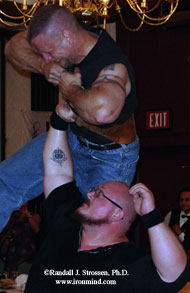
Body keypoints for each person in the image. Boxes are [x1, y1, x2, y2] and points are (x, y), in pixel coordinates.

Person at [1, 5, 139, 232]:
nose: (47, 57)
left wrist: (71, 88)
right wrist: (43, 66)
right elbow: (12, 47)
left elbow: (103, 113)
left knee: (92, 229)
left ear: (67, 36)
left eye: (49, 52)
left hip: (110, 155)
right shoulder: (68, 39)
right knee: (5, 181)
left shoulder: (111, 64)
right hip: (73, 137)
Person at [24, 119, 189, 292]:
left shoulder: (128, 262)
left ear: (117, 214)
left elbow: (174, 273)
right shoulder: (65, 221)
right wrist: (58, 122)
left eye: (99, 194)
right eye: (94, 190)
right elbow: (58, 172)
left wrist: (151, 216)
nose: (89, 194)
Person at [0, 203, 40, 278]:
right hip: (13, 245)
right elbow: (6, 229)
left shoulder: (34, 215)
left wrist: (28, 215)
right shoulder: (13, 216)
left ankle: (14, 276)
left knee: (22, 249)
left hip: (27, 245)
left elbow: (36, 229)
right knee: (11, 249)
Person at [165, 188, 190, 259]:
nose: (184, 202)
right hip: (170, 255)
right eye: (181, 200)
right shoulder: (171, 214)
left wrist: (180, 233)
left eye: (187, 200)